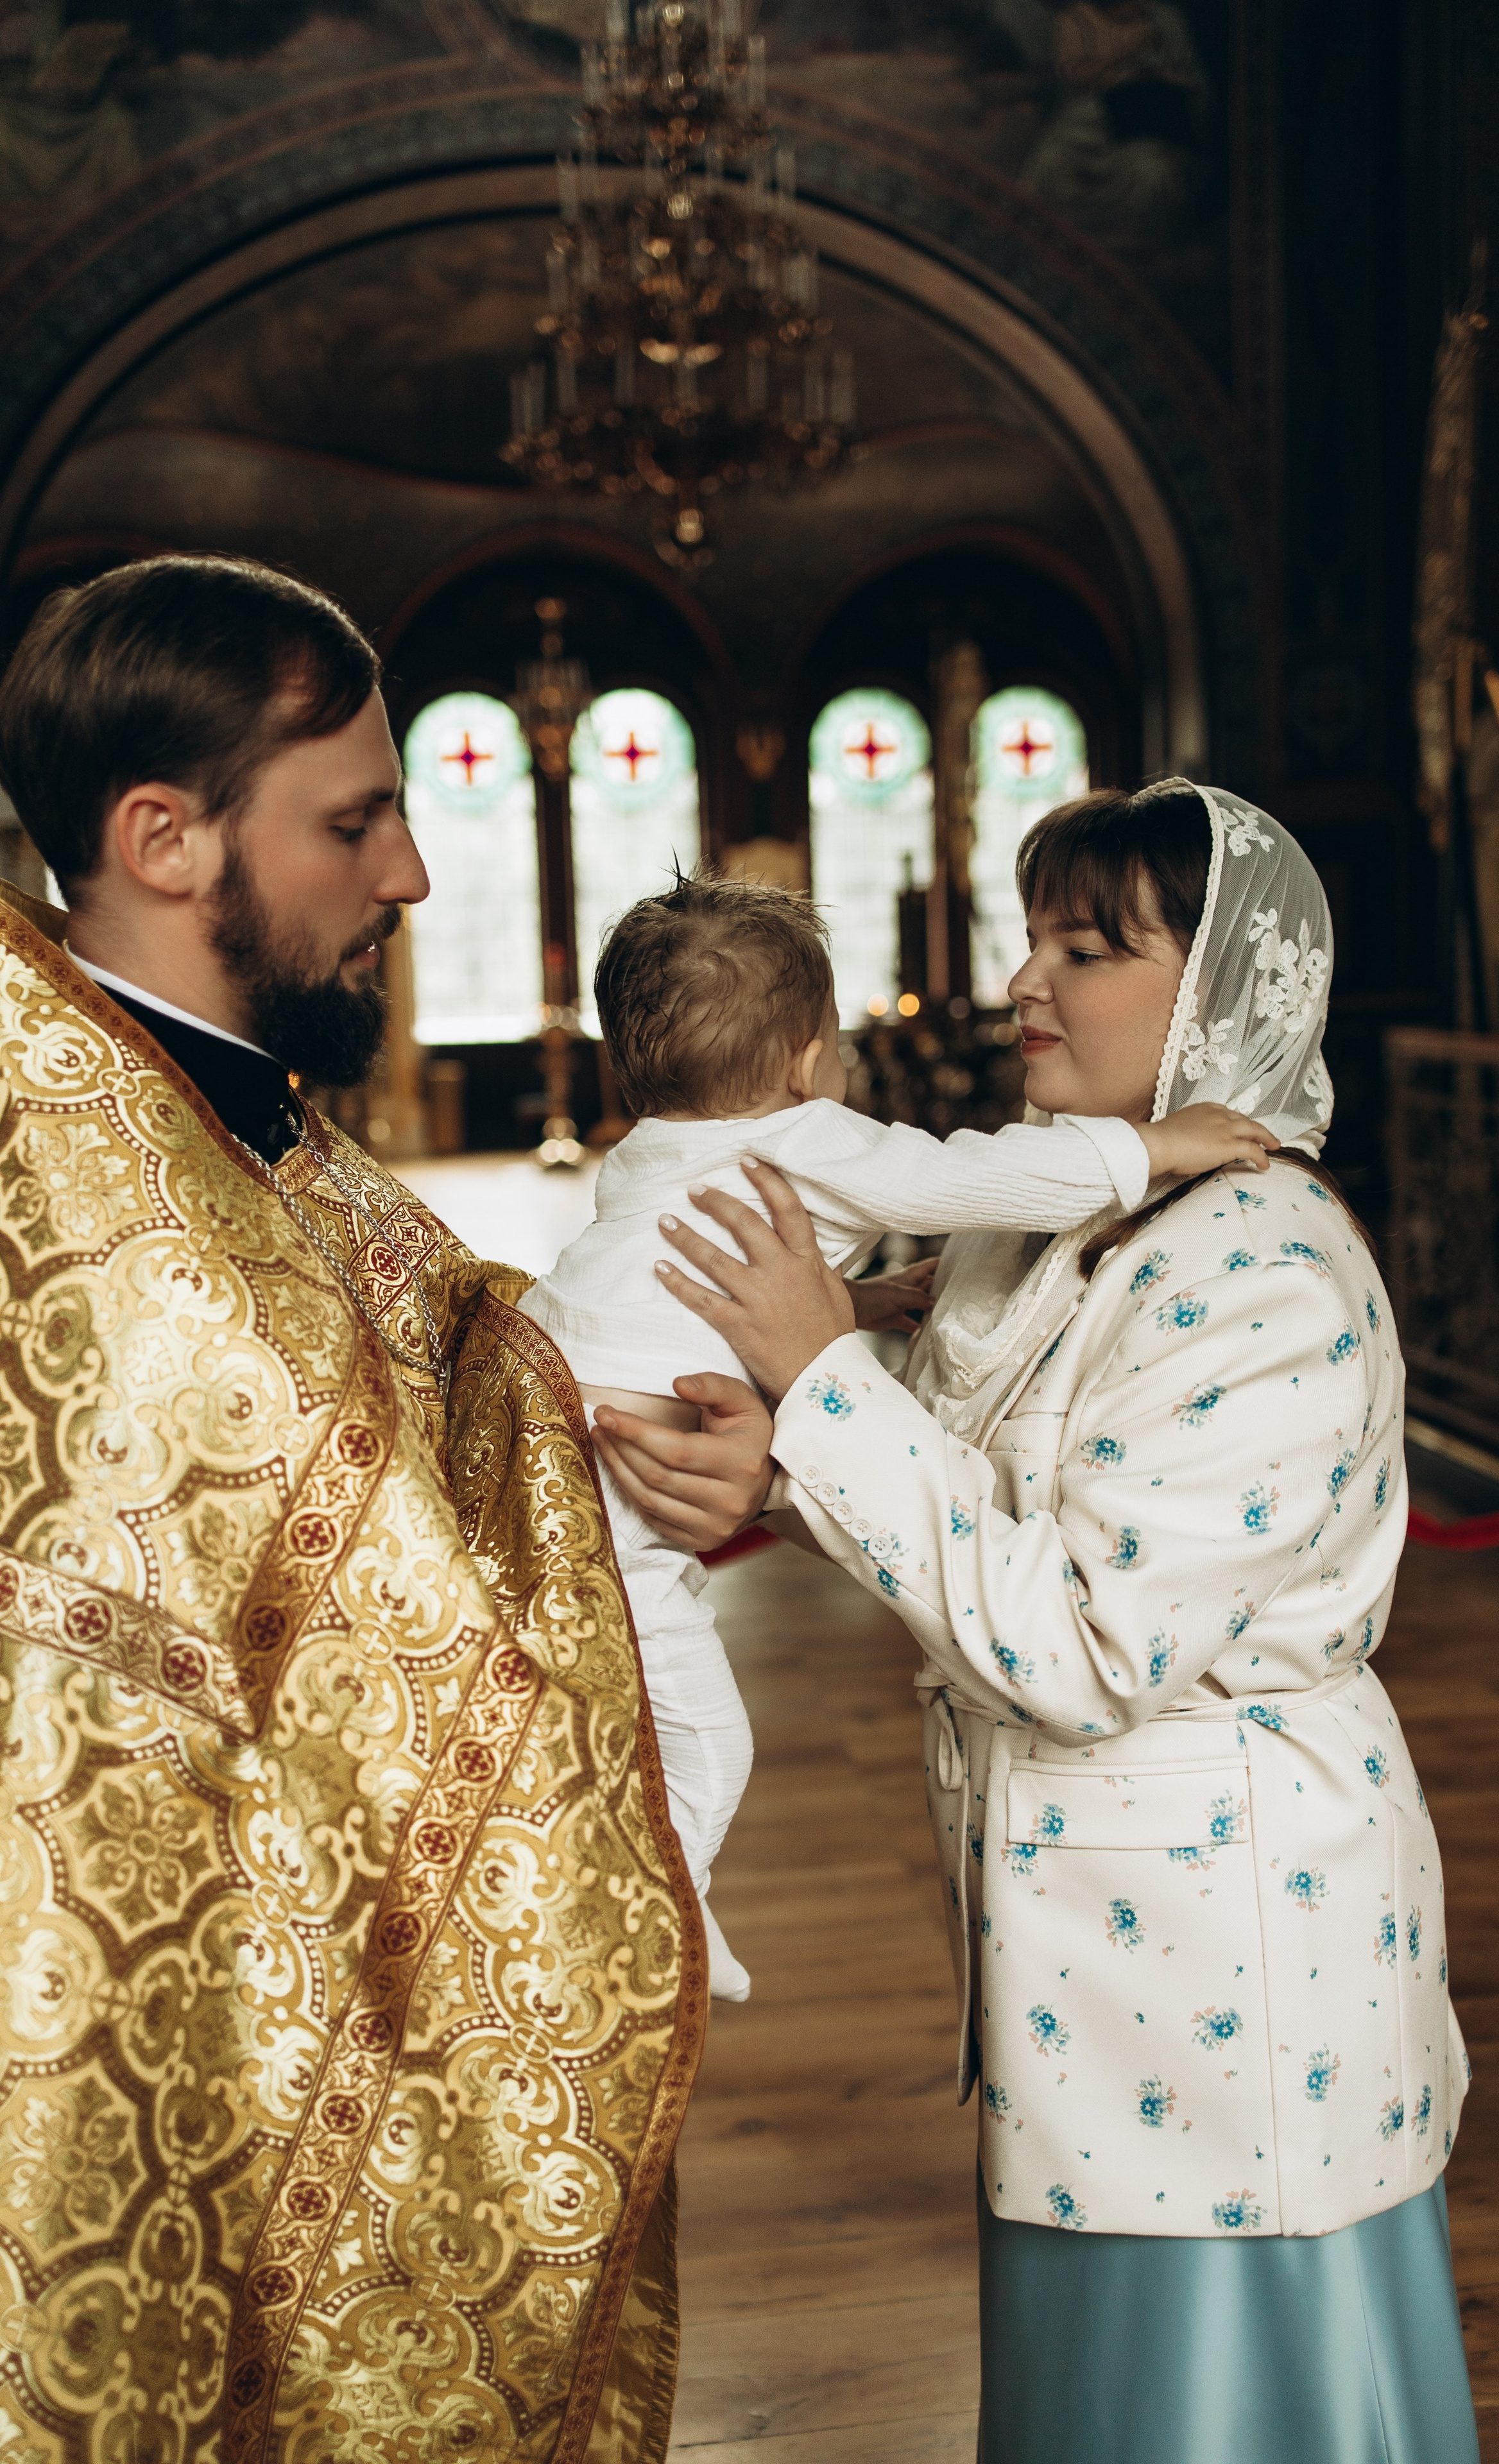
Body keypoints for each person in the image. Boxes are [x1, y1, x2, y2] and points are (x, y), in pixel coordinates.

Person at [601, 780, 1482, 2464]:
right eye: (1034, 936)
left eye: (1088, 946)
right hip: (1083, 1960)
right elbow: (959, 1468)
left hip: (1239, 1961)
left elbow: (1080, 1640)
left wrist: (816, 1380)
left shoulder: (1270, 1268)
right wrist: (767, 1467)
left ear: (1216, 995)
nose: (1026, 982)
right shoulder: (1053, 1221)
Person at [0, 554, 753, 2464]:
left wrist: (621, 1420)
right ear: (164, 839)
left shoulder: (238, 1121)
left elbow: (439, 1356)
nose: (410, 876)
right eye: (356, 821)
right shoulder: (71, 1190)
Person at [523, 870, 1280, 2004]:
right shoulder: (812, 1137)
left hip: (549, 1428)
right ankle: (663, 1918)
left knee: (590, 1728)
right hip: (636, 1499)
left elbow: (716, 1298)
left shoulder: (646, 1154)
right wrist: (1153, 1149)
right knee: (706, 1743)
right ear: (801, 1058)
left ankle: (609, 1893)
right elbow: (973, 1174)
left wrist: (866, 1308)